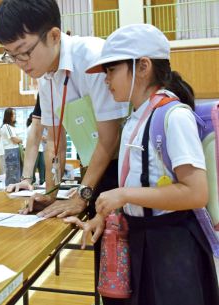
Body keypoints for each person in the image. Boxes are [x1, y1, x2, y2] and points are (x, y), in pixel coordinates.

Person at [67, 24, 219, 305]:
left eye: (111, 70)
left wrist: (123, 194)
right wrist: (103, 215)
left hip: (173, 250)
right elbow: (139, 183)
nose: (105, 79)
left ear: (143, 66)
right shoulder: (135, 119)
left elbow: (196, 193)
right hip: (142, 242)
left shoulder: (174, 116)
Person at [0, 0, 128, 220]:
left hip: (124, 170)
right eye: (11, 55)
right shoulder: (45, 76)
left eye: (23, 52)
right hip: (95, 167)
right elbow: (54, 143)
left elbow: (110, 138)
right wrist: (50, 193)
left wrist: (82, 195)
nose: (20, 63)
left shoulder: (92, 57)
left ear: (54, 36)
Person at [1, 108, 23, 186]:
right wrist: (21, 140)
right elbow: (14, 139)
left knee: (17, 170)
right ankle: (10, 187)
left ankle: (16, 186)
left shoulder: (12, 126)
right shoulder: (6, 126)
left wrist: (19, 139)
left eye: (15, 114)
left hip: (15, 149)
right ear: (8, 116)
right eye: (13, 114)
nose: (15, 116)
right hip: (10, 151)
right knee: (12, 171)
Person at [26, 114, 45, 185]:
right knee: (33, 167)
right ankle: (32, 181)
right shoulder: (30, 128)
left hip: (40, 149)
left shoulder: (38, 127)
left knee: (42, 166)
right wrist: (44, 138)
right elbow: (38, 137)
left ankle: (42, 181)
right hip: (34, 150)